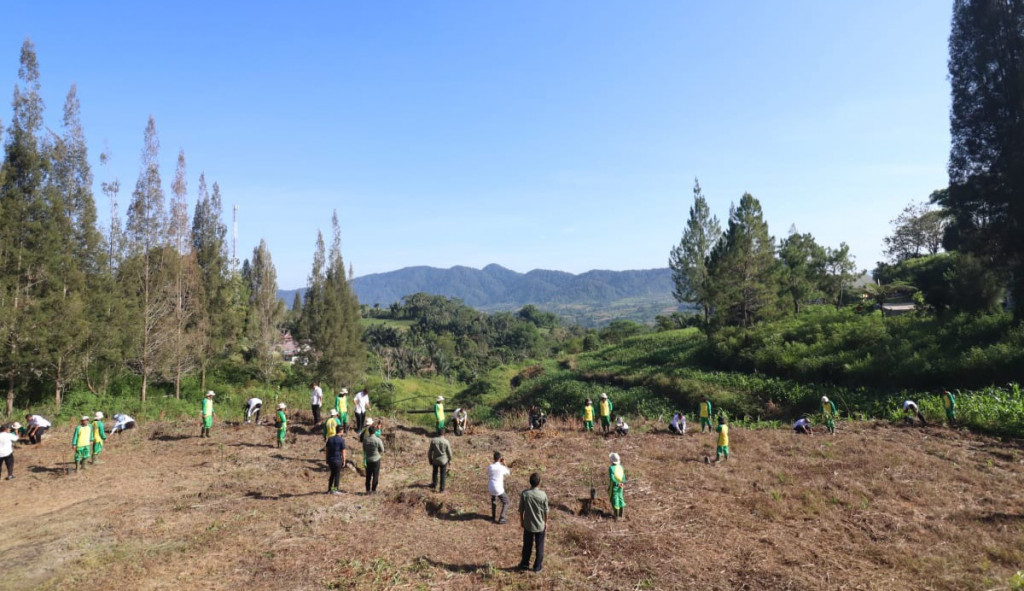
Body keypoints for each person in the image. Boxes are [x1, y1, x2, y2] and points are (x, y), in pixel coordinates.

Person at [518, 472, 548, 573]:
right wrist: (545, 522)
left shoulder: (525, 494)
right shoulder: (543, 495)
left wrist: (522, 521)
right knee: (539, 547)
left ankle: (525, 564)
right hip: (540, 525)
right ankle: (537, 567)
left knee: (527, 545)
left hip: (528, 525)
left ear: (530, 482)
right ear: (539, 483)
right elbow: (546, 511)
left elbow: (521, 510)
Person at [487, 451, 510, 524]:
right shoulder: (502, 467)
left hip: (491, 487)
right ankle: (502, 518)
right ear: (500, 459)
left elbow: (487, 472)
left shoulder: (490, 466)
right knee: (506, 502)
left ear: (493, 458)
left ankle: (493, 516)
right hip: (498, 488)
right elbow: (508, 473)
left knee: (494, 499)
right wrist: (504, 463)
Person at [362, 418, 384, 494]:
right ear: (374, 431)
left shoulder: (366, 439)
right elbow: (382, 450)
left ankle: (367, 490)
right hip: (376, 459)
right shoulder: (377, 440)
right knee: (375, 475)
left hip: (368, 459)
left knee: (368, 475)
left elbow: (364, 449)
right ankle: (373, 490)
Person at [325, 429, 347, 495]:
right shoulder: (341, 440)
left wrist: (326, 459)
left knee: (332, 474)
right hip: (337, 459)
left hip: (330, 459)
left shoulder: (330, 439)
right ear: (341, 431)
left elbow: (327, 450)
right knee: (337, 475)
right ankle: (335, 489)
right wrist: (344, 460)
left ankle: (329, 489)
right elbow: (343, 452)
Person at [608, 452, 626, 520]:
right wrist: (622, 483)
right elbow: (623, 476)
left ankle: (616, 516)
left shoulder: (611, 468)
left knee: (614, 499)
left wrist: (617, 483)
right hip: (621, 485)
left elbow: (612, 478)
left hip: (614, 486)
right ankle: (621, 515)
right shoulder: (621, 467)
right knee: (620, 498)